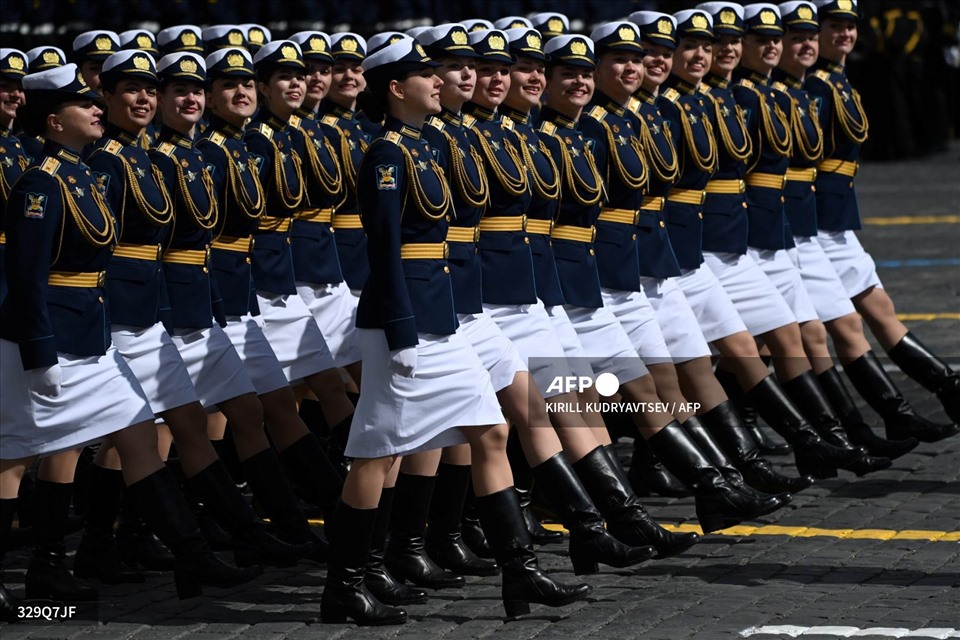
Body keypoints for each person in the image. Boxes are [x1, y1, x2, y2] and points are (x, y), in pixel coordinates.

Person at [319, 37, 591, 625]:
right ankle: (344, 584)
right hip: (408, 323)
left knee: (491, 434)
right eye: (425, 76)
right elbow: (385, 251)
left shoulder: (424, 147)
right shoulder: (387, 155)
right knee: (375, 456)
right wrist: (400, 330)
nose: (439, 82)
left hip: (442, 317)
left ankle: (520, 572)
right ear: (395, 88)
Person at [0, 63, 260, 607]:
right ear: (53, 120)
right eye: (84, 105)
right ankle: (34, 574)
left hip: (89, 339)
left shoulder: (83, 174)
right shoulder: (39, 185)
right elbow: (24, 279)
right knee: (14, 456)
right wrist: (39, 350)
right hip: (52, 341)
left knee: (139, 433)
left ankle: (192, 556)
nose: (97, 109)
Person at [768, 0, 921, 459]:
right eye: (817, 31)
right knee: (763, 344)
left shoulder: (824, 83)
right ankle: (829, 436)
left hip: (818, 222)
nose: (836, 38)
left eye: (846, 27)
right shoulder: (791, 91)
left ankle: (852, 431)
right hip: (782, 228)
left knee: (823, 328)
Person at [807, 0, 959, 435]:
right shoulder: (813, 88)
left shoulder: (836, 79)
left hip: (834, 221)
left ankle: (942, 390)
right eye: (833, 27)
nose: (844, 35)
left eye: (849, 27)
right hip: (809, 223)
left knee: (876, 306)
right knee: (793, 332)